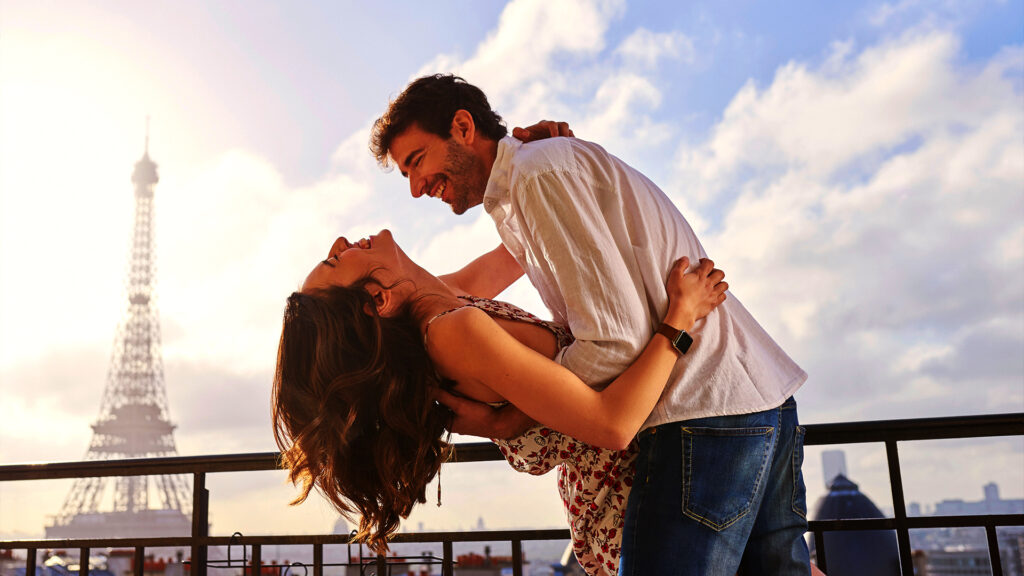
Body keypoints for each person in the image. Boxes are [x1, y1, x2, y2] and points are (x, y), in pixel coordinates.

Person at [370, 74, 811, 575]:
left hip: (701, 414)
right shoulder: (532, 181)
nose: (414, 188)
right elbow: (466, 283)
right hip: (754, 397)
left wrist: (521, 414)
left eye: (416, 161)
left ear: (463, 127)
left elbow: (611, 343)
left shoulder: (539, 175)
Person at [272, 229, 728, 566]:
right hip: (633, 496)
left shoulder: (439, 301)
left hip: (651, 477)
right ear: (378, 299)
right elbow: (613, 424)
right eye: (334, 261)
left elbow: (523, 245)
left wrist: (544, 158)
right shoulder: (451, 334)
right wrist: (681, 318)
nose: (339, 241)